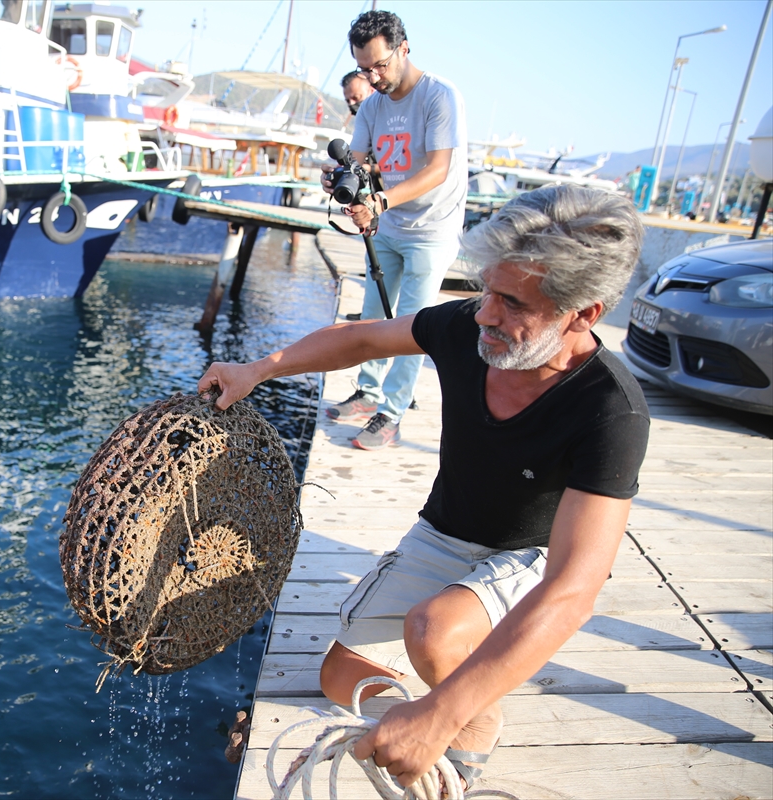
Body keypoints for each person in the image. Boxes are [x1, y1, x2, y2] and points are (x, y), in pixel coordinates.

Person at [198, 185, 649, 793]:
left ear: (584, 313)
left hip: (531, 555)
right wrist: (257, 369)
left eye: (512, 302)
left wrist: (440, 713)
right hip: (446, 532)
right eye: (486, 288)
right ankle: (454, 680)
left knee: (433, 633)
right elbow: (362, 338)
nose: (485, 313)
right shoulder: (469, 326)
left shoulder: (610, 410)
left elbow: (573, 589)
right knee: (342, 678)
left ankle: (473, 725)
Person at [322, 10, 468, 450]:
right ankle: (368, 393)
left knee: (413, 324)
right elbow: (361, 160)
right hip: (388, 224)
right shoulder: (371, 105)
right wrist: (340, 178)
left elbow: (439, 169)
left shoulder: (440, 97)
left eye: (380, 65)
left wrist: (380, 200)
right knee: (371, 314)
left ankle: (393, 412)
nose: (374, 76)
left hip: (433, 227)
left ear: (404, 49)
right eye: (365, 68)